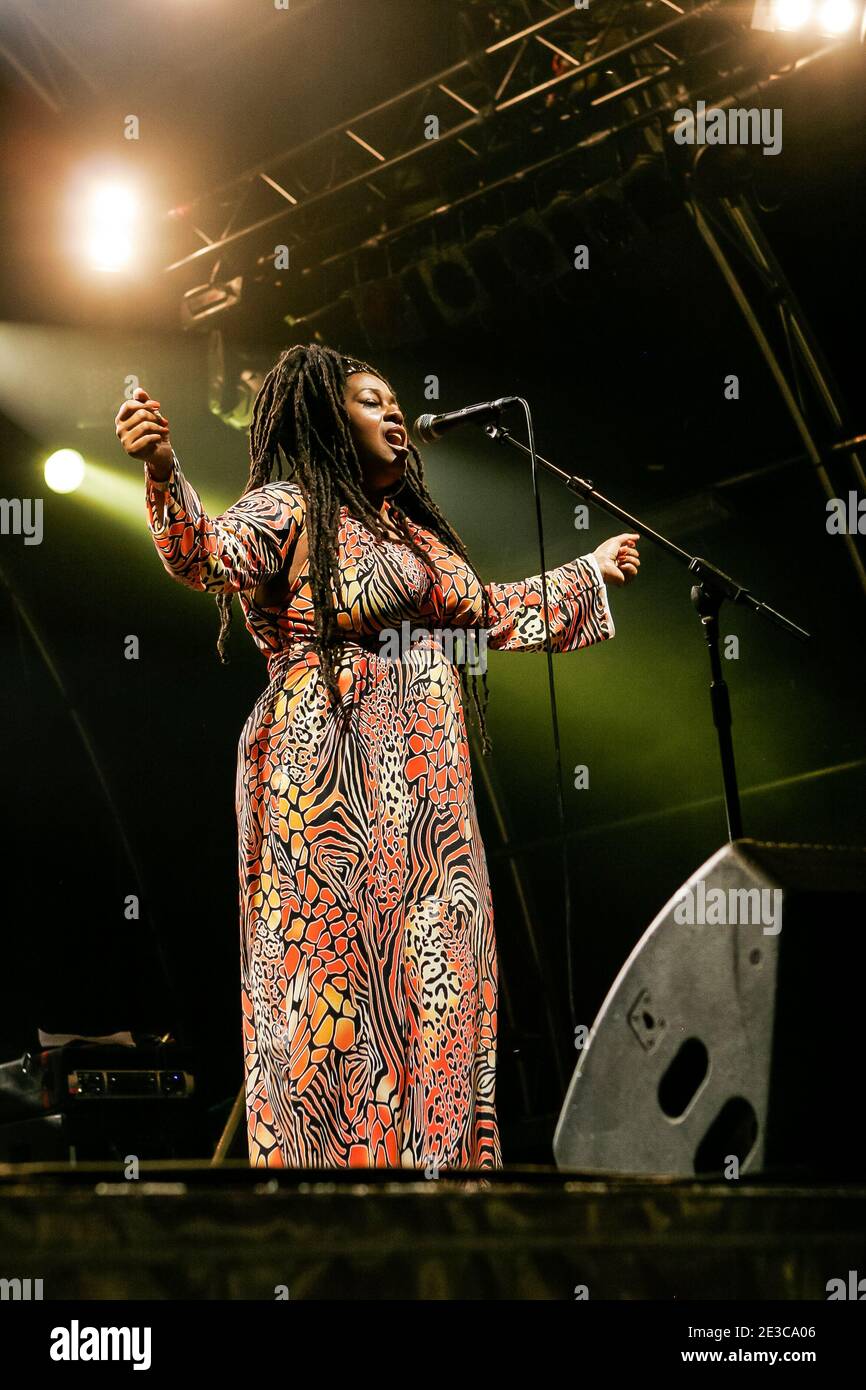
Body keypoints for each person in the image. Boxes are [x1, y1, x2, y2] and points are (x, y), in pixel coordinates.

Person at [115, 342, 640, 1170]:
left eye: (396, 400)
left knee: (442, 980)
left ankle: (439, 1187)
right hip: (327, 774)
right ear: (327, 417)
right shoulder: (291, 506)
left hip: (429, 791)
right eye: (369, 401)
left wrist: (589, 572)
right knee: (340, 993)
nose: (394, 412)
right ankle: (338, 1202)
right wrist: (162, 470)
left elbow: (489, 611)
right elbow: (208, 555)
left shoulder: (412, 533)